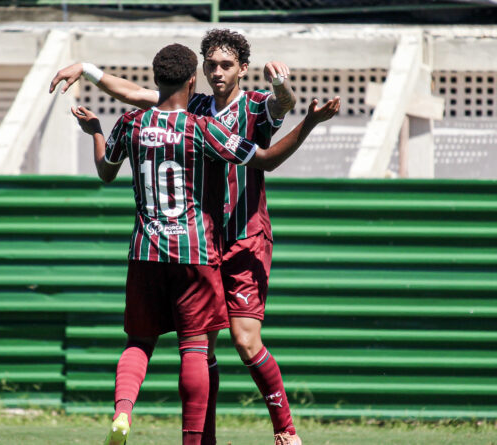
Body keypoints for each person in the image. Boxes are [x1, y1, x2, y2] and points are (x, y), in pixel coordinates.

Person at [54, 29, 335, 445]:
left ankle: (286, 430)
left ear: (242, 68)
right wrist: (89, 69)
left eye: (226, 65)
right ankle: (204, 438)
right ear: (198, 72)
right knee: (203, 347)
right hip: (202, 242)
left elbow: (284, 106)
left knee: (243, 340)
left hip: (243, 236)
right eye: (211, 65)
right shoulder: (196, 109)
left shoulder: (254, 104)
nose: (218, 72)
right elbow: (134, 93)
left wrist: (281, 85)